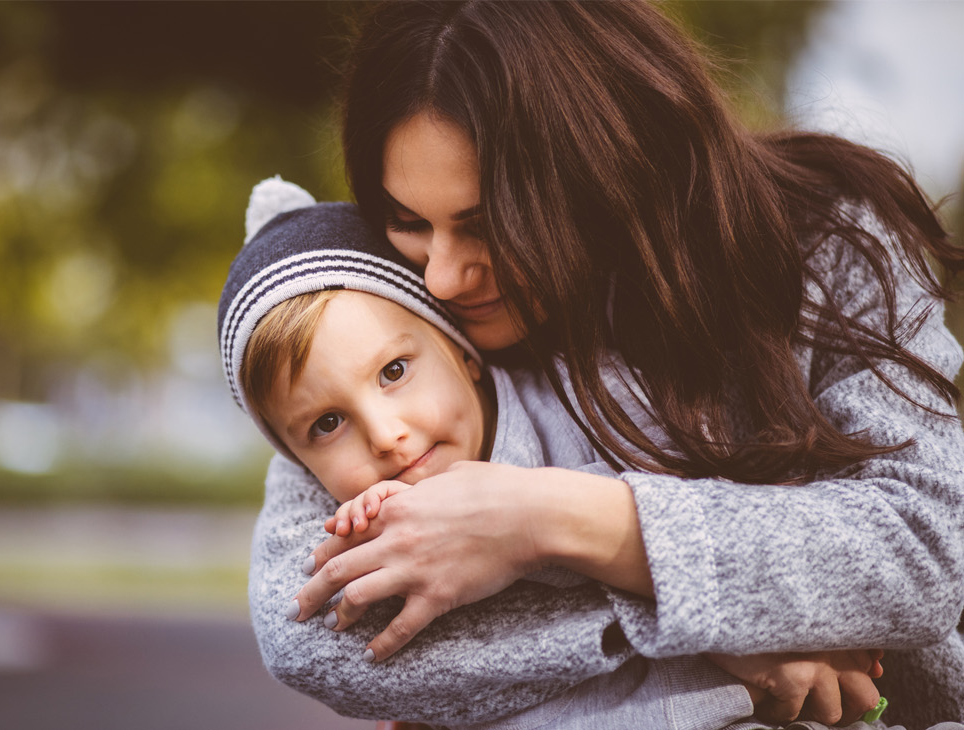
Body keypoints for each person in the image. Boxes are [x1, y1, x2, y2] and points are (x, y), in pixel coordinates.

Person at [246, 2, 964, 729]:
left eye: (490, 222)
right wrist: (707, 634)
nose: (443, 278)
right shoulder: (376, 314)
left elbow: (927, 544)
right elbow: (308, 628)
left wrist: (545, 519)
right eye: (409, 222)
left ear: (606, 156)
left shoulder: (821, 243)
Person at [221, 177, 825, 730]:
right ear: (294, 459)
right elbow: (307, 642)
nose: (383, 434)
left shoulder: (593, 398)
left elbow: (741, 501)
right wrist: (705, 625)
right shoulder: (353, 530)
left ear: (459, 349)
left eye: (394, 371)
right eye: (326, 424)